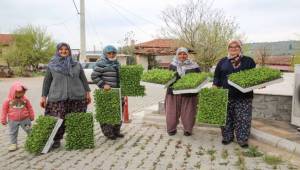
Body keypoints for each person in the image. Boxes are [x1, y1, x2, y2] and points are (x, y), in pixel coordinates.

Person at [40, 42, 91, 148]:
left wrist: (88, 93)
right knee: (57, 119)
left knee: (77, 119)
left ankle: (77, 139)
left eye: (66, 49)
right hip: (57, 97)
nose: (63, 51)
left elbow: (83, 79)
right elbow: (47, 82)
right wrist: (43, 97)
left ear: (69, 51)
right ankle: (56, 140)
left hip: (77, 96)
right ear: (57, 51)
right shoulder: (52, 65)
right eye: (61, 49)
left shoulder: (76, 64)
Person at [213, 39, 256, 148]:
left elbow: (255, 76)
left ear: (240, 48)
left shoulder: (248, 61)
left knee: (243, 118)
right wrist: (215, 87)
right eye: (231, 47)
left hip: (244, 96)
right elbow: (217, 76)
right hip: (226, 95)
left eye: (236, 46)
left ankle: (242, 139)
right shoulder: (223, 61)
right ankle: (227, 137)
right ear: (228, 49)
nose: (233, 49)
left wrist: (260, 83)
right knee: (226, 118)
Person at [165, 47, 201, 136]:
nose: (182, 56)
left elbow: (200, 78)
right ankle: (171, 129)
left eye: (184, 54)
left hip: (189, 93)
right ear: (177, 55)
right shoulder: (172, 65)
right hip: (173, 93)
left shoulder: (194, 66)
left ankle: (188, 130)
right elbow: (167, 78)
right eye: (180, 54)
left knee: (189, 112)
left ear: (187, 55)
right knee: (171, 111)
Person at [91, 45, 124, 140]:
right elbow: (94, 76)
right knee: (106, 113)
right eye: (109, 53)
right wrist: (103, 85)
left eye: (113, 52)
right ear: (105, 53)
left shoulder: (117, 63)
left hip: (117, 92)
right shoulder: (101, 63)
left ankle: (116, 131)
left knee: (118, 112)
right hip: (106, 92)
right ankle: (108, 133)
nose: (111, 54)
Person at [1, 81, 35, 151]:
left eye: (22, 92)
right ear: (13, 92)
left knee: (29, 130)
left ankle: (33, 141)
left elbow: (30, 107)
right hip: (13, 120)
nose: (21, 94)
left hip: (25, 119)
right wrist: (3, 119)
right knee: (13, 132)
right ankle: (13, 144)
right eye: (19, 92)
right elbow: (4, 110)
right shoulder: (8, 101)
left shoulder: (25, 99)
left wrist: (31, 116)